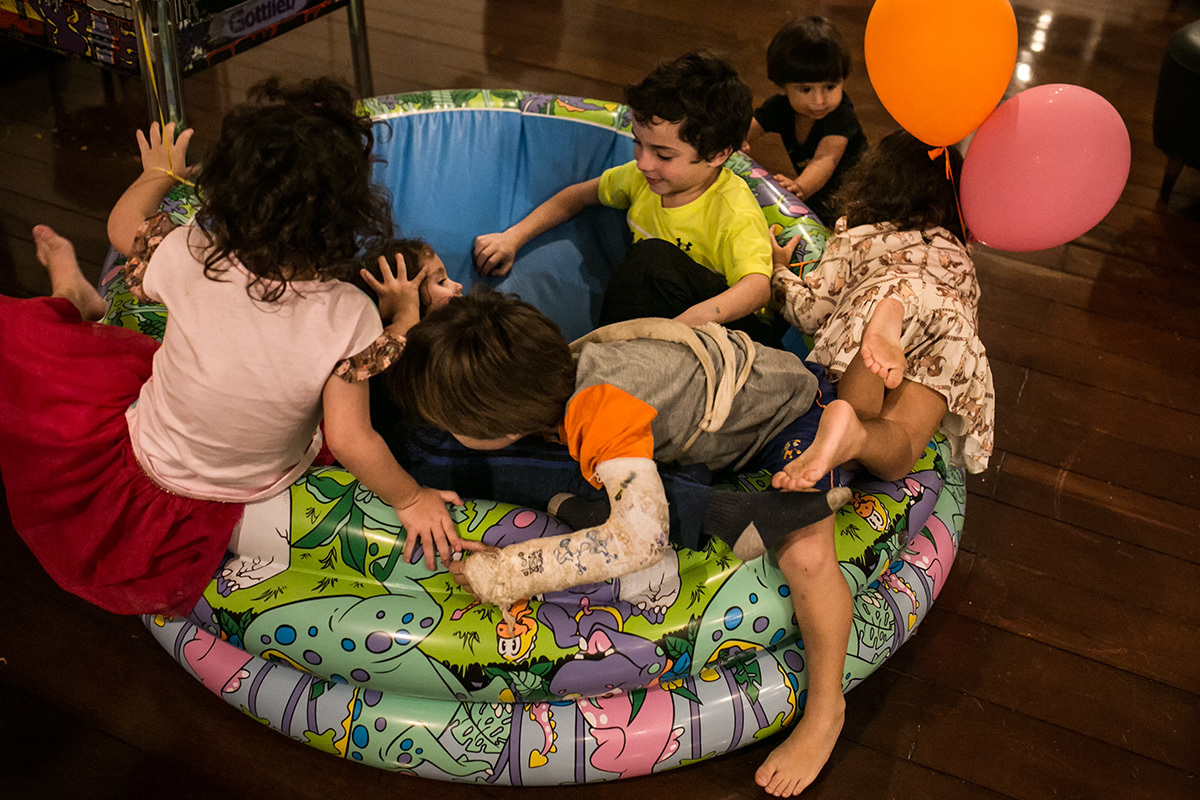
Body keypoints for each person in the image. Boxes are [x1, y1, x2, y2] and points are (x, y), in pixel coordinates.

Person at [0, 77, 478, 617]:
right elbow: (348, 438)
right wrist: (410, 498)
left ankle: (77, 296)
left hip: (146, 456)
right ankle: (79, 297)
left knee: (51, 347)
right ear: (350, 217)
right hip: (248, 488)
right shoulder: (350, 314)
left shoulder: (187, 249)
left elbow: (120, 226)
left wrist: (158, 173)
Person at [390, 289, 855, 797]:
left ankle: (827, 708)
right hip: (725, 405)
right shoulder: (548, 377)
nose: (451, 434)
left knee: (807, 555)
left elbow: (640, 539)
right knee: (583, 492)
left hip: (798, 419)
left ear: (501, 425)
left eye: (454, 427)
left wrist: (504, 573)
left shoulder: (597, 409)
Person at [473, 51, 781, 344]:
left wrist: (684, 325)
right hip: (657, 327)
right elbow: (577, 197)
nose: (644, 162)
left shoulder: (733, 209)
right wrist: (512, 238)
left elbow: (756, 289)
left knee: (651, 260)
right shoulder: (640, 179)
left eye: (663, 154)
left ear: (717, 154)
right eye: (639, 144)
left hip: (727, 333)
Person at [771, 129, 995, 494]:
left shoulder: (859, 236)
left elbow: (810, 311)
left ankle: (889, 316)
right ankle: (855, 436)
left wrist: (780, 274)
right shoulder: (958, 252)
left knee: (862, 404)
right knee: (902, 447)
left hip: (883, 293)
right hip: (951, 321)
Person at [743, 16, 868, 225]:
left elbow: (826, 159)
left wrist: (799, 187)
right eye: (806, 89)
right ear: (782, 87)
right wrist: (729, 142)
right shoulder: (780, 107)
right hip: (819, 197)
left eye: (830, 87)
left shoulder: (842, 116)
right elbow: (747, 128)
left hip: (855, 196)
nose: (819, 101)